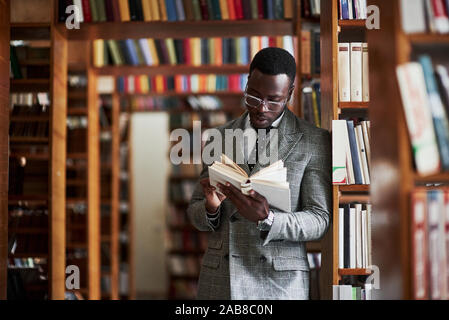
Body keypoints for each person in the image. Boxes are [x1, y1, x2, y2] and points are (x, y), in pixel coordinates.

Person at [187, 47, 332, 300]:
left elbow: (319, 219)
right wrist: (210, 209)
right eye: (253, 97)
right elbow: (195, 212)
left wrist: (269, 219)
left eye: (273, 100)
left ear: (290, 94)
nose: (262, 108)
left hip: (280, 284)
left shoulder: (313, 141)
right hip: (223, 280)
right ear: (246, 84)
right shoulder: (218, 138)